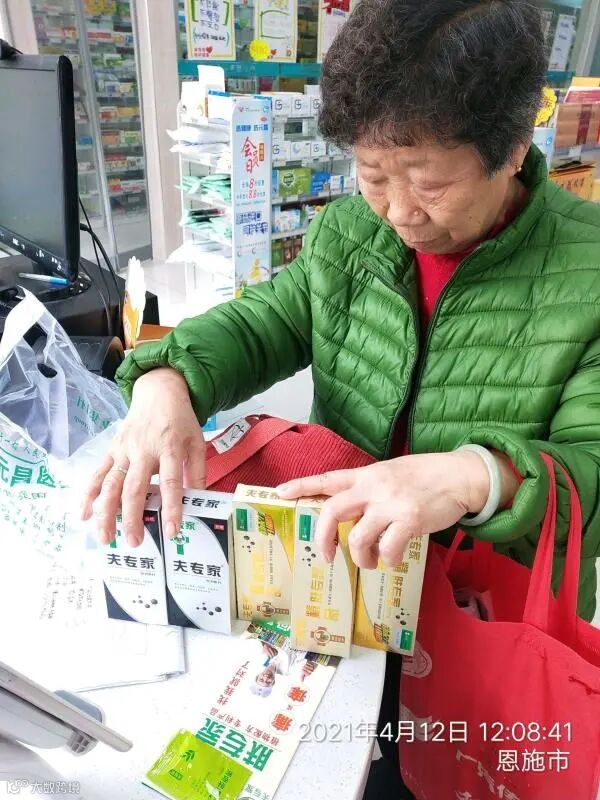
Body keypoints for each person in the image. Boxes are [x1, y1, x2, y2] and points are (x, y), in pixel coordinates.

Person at [83, 0, 600, 791]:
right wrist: (166, 377)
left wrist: (474, 475)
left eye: (428, 183)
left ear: (512, 150)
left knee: (449, 769)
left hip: (479, 616)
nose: (399, 212)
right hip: (346, 589)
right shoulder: (349, 234)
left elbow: (590, 470)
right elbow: (263, 323)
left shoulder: (588, 271)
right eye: (373, 176)